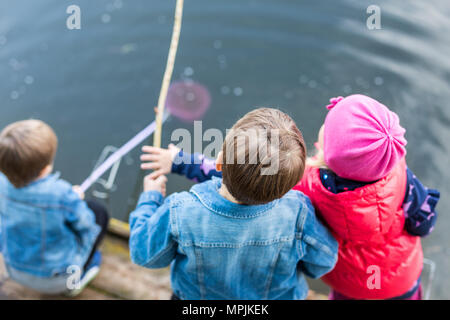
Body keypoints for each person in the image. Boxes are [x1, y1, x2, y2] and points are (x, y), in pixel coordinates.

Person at [129, 108, 338, 300]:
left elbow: (143, 254)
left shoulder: (180, 211)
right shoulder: (297, 211)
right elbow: (323, 261)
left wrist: (151, 199)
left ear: (219, 162)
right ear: (288, 186)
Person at [294, 95, 439, 300]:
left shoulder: (308, 186)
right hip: (402, 282)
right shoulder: (403, 177)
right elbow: (424, 224)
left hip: (351, 286)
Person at [0, 119, 109, 296]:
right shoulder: (61, 195)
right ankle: (75, 282)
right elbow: (87, 226)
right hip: (58, 281)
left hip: (15, 270)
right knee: (98, 212)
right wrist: (75, 200)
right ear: (45, 169)